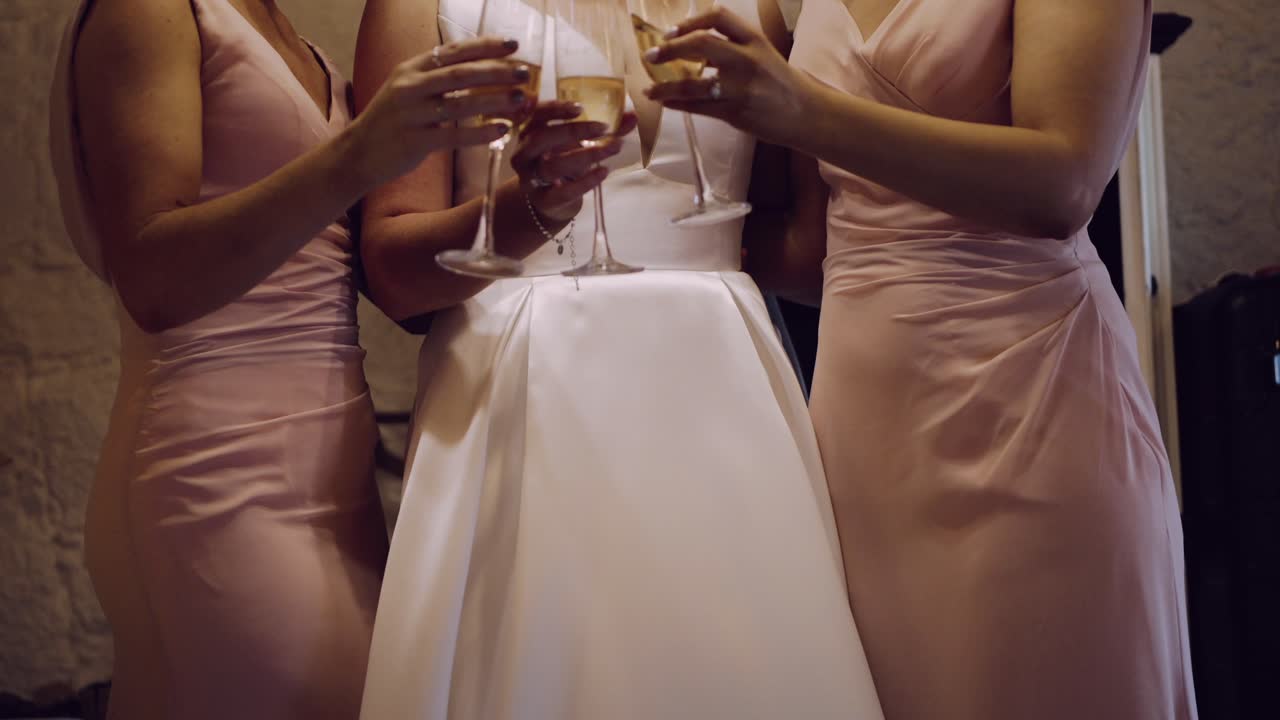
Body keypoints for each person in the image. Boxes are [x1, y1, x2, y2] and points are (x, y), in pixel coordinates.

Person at [647, 1, 1198, 718]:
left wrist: (801, 109)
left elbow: (1064, 184)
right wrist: (624, 255)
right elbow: (813, 251)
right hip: (863, 428)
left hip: (1029, 399)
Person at [47, 0, 583, 716]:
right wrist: (362, 154)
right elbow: (154, 279)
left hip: (334, 483)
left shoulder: (286, 32)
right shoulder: (148, 10)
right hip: (218, 475)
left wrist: (535, 197)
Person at [352, 0, 884, 717]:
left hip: (721, 390)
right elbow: (393, 276)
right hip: (527, 390)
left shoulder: (756, 10)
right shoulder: (426, 8)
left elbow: (798, 248)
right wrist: (529, 210)